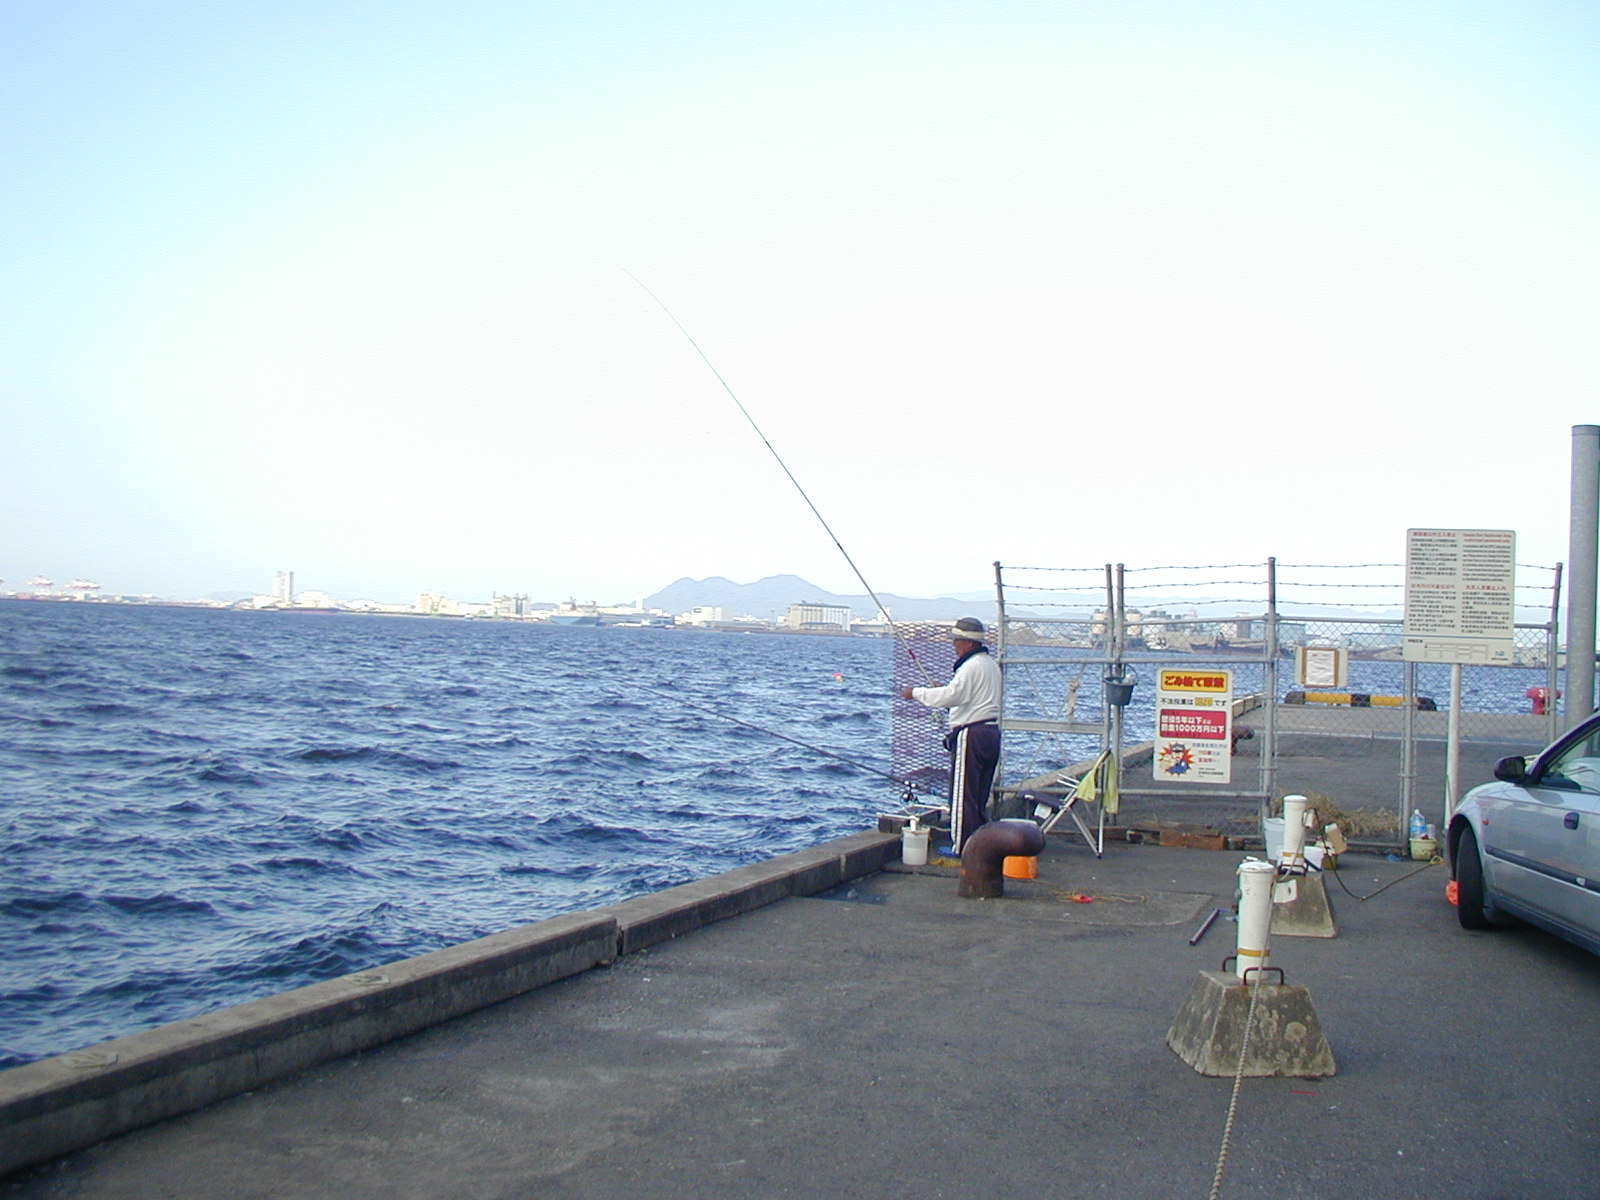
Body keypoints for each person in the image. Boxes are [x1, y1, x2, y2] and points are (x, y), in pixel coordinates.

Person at [900, 616, 1002, 853]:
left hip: (972, 735)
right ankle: (980, 845)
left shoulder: (970, 667)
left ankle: (962, 848)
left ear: (967, 643)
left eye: (956, 641)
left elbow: (952, 696)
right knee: (979, 795)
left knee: (963, 795)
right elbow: (969, 699)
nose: (953, 645)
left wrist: (915, 693)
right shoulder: (990, 665)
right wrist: (943, 693)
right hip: (991, 733)